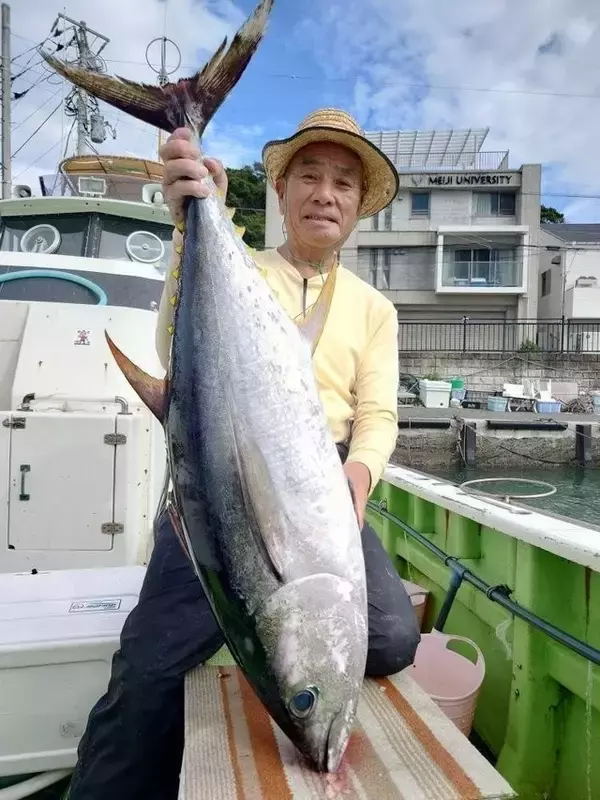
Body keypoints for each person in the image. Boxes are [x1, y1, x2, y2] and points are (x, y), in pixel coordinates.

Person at [66, 108, 421, 800]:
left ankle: (265, 648)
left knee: (391, 640)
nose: (326, 193)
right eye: (310, 177)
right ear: (282, 193)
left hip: (326, 488)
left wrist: (358, 477)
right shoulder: (241, 267)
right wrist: (193, 217)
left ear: (357, 207)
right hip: (223, 482)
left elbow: (378, 414)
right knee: (147, 672)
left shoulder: (376, 309)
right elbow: (176, 348)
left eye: (344, 184)